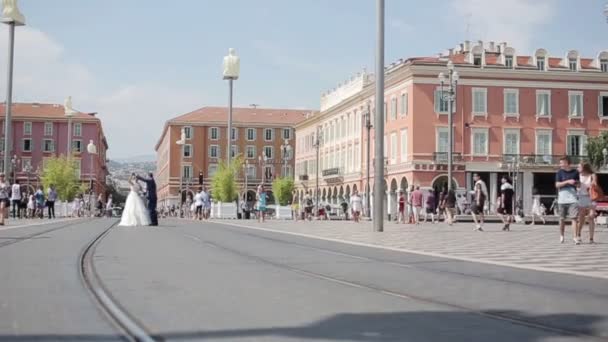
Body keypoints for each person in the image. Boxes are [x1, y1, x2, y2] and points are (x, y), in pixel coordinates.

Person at [555, 156, 579, 244]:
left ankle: (575, 237)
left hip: (573, 198)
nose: (560, 164)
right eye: (560, 163)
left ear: (567, 163)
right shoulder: (559, 172)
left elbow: (578, 185)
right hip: (562, 199)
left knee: (574, 218)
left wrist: (577, 184)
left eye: (561, 163)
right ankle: (562, 235)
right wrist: (567, 182)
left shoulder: (575, 172)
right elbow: (557, 185)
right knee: (562, 219)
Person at [577, 162, 598, 244]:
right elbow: (577, 187)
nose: (577, 168)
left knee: (591, 217)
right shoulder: (578, 176)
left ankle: (591, 239)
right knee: (581, 218)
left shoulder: (592, 175)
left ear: (584, 168)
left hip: (591, 197)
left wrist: (592, 185)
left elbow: (595, 183)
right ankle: (578, 234)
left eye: (579, 167)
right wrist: (577, 185)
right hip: (582, 197)